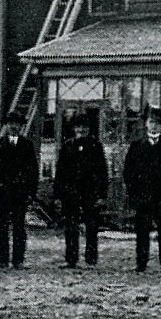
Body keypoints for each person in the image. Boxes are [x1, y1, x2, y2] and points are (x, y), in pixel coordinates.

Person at [122, 111, 161, 272]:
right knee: (142, 230)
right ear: (146, 124)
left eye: (157, 123)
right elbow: (128, 172)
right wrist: (133, 193)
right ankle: (141, 262)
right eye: (151, 122)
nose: (154, 125)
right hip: (143, 196)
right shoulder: (136, 146)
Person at [0, 110, 39, 269]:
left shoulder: (27, 146)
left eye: (17, 124)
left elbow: (32, 171)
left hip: (20, 194)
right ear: (6, 125)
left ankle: (18, 260)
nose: (14, 126)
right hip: (2, 193)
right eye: (11, 123)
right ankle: (2, 260)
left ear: (21, 126)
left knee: (19, 227)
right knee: (1, 226)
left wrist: (31, 193)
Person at [53, 113, 108, 268]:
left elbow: (103, 172)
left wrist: (102, 195)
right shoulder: (67, 146)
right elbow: (60, 172)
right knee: (71, 227)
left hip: (90, 193)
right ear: (74, 129)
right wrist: (58, 194)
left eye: (84, 127)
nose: (81, 130)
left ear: (89, 129)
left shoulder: (96, 147)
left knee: (91, 227)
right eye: (78, 127)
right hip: (71, 194)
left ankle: (91, 259)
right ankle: (71, 259)